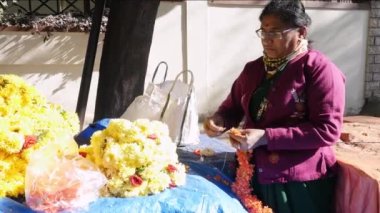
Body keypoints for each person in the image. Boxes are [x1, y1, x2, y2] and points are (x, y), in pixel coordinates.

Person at [203, 0, 345, 212]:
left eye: (276, 32)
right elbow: (231, 108)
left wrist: (266, 137)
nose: (267, 40)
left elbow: (327, 131)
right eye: (264, 31)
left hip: (299, 181)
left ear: (302, 32)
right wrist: (219, 121)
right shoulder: (253, 70)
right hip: (255, 173)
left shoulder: (319, 70)